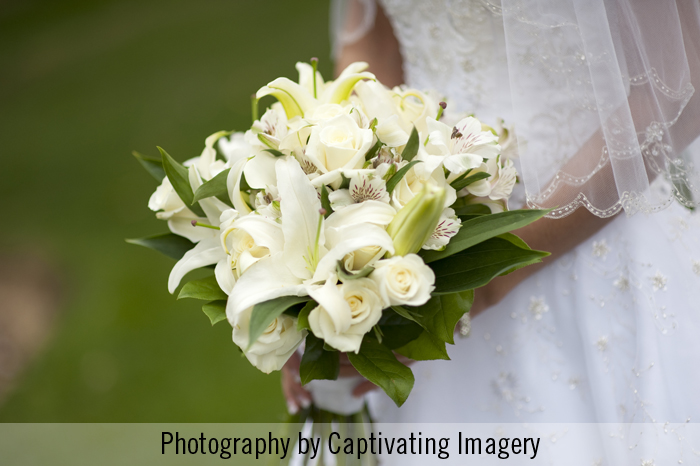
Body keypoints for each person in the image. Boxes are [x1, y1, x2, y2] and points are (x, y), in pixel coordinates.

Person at [284, 0, 700, 462]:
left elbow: (673, 86)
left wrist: (489, 275)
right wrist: (326, 248)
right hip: (407, 252)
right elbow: (373, 44)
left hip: (591, 238)